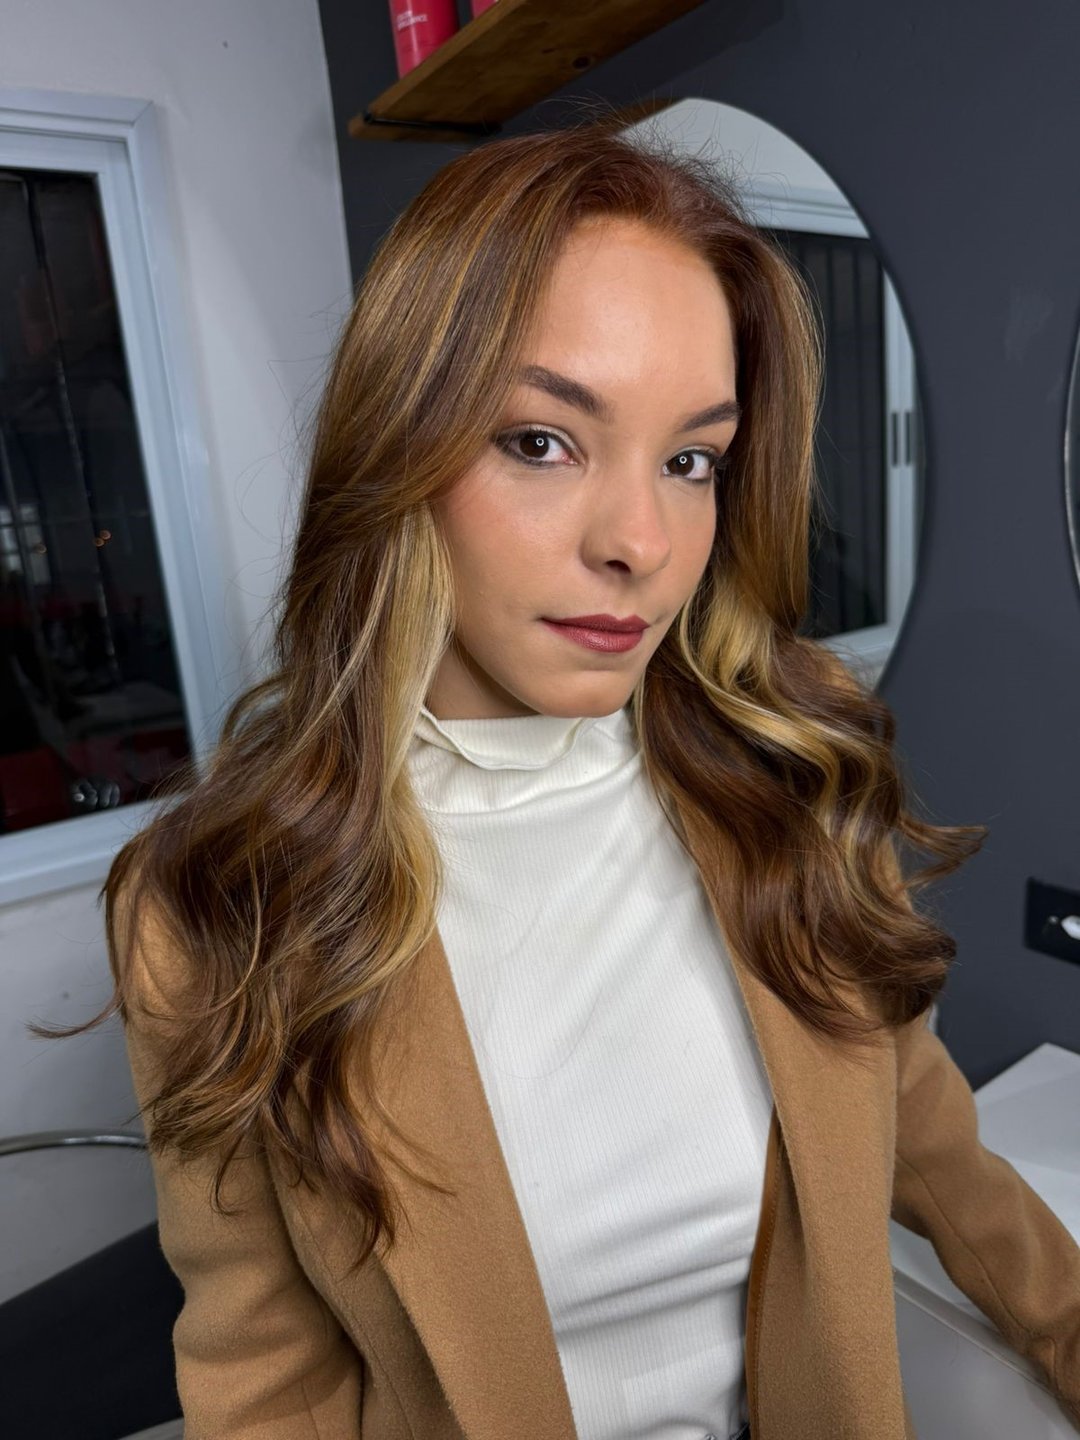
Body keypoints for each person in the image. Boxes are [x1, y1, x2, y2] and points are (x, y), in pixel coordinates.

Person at [37, 117, 1080, 1440]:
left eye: (691, 461)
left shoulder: (788, 806)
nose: (642, 541)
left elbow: (938, 1156)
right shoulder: (215, 906)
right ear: (401, 449)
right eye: (541, 440)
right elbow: (263, 1372)